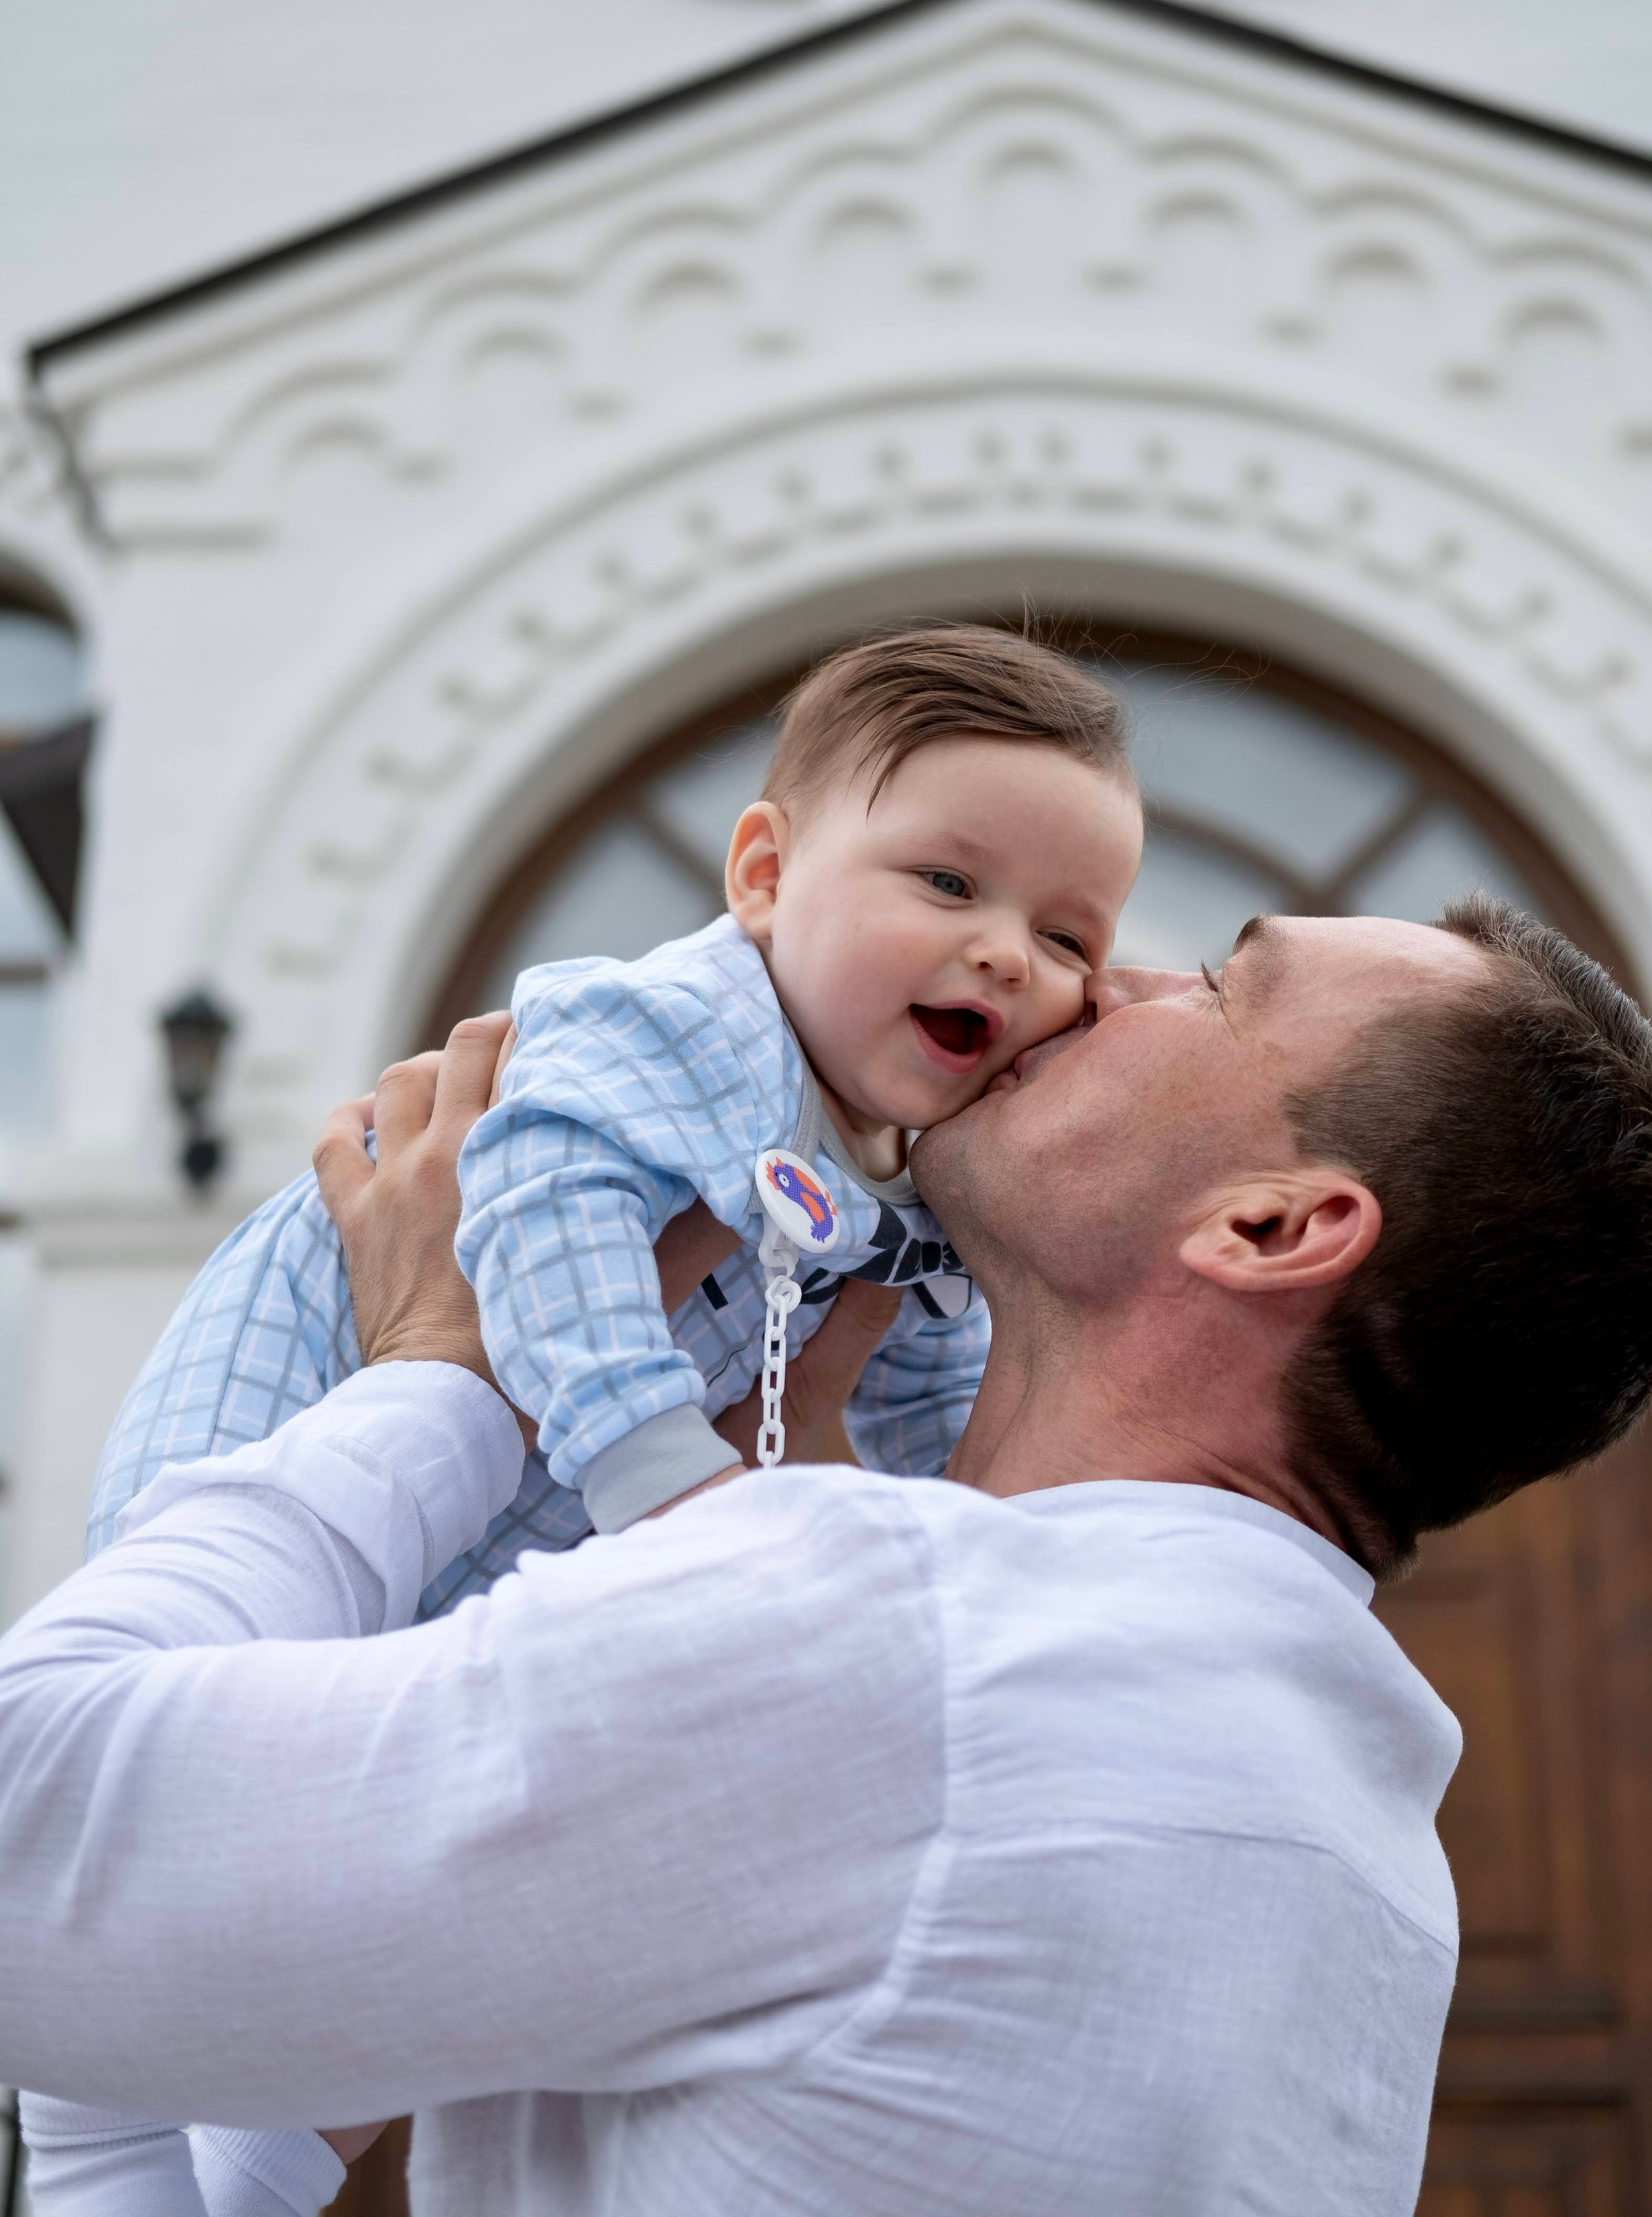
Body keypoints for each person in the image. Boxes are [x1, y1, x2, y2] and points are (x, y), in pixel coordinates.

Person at [3, 900, 1652, 2217]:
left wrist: (442, 1373)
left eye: (1220, 987)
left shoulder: (909, 1649)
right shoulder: (1371, 1864)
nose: (1104, 974)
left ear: (1267, 1229)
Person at [38, 623, 1144, 2208]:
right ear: (761, 875)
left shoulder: (920, 1175)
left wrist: (983, 1561)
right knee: (208, 1776)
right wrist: (665, 1477)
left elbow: (929, 1397)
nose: (1007, 958)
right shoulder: (680, 1025)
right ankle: (90, 2068)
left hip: (496, 1537)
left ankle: (219, 2164)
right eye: (948, 887)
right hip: (305, 1409)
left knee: (419, 1938)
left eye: (1069, 937)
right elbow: (536, 1203)